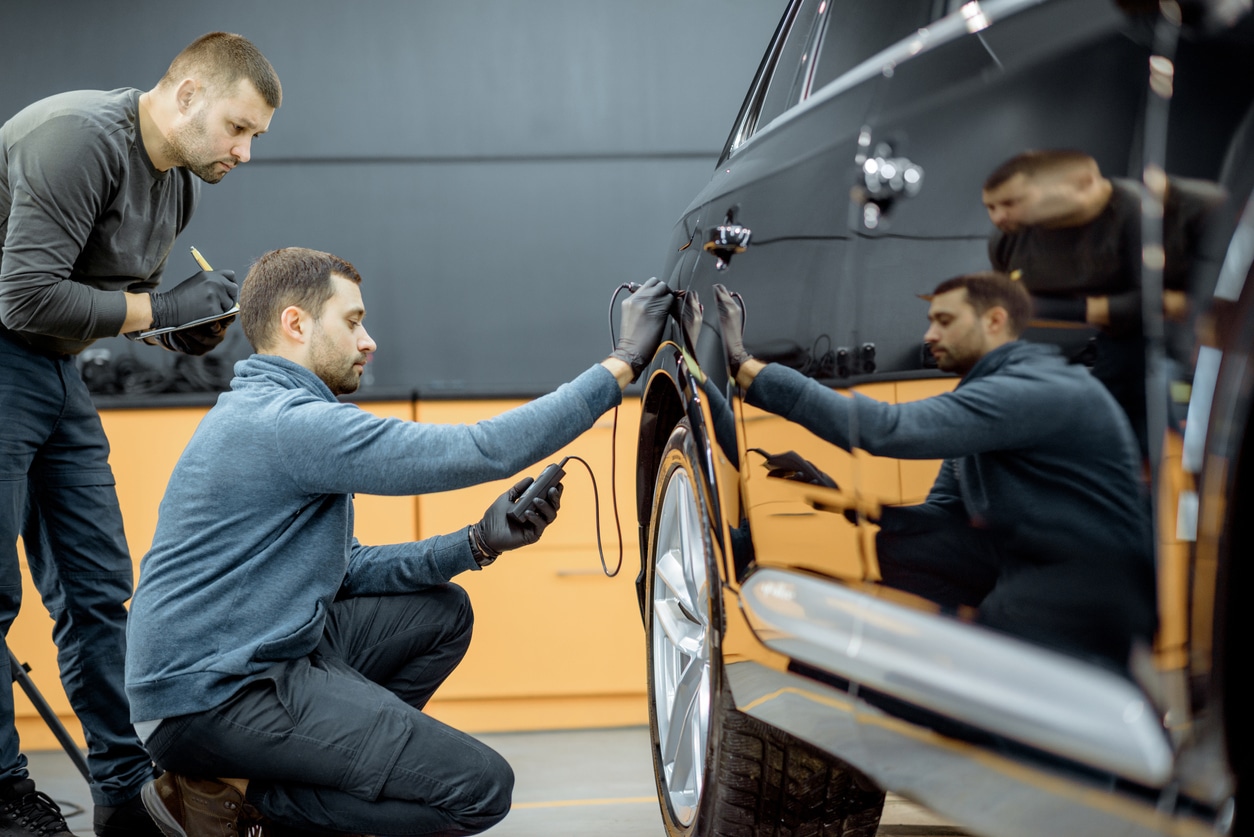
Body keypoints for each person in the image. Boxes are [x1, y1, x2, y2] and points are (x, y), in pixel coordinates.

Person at [123, 248, 673, 837]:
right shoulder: (289, 422)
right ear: (296, 324)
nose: (369, 341)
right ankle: (238, 797)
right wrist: (621, 364)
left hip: (254, 658)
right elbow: (480, 450)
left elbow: (343, 568)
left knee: (441, 613)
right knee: (480, 789)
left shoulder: (264, 412)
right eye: (353, 321)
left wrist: (476, 543)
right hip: (210, 697)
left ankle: (314, 771)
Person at [0, 32, 281, 836]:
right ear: (187, 94)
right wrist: (158, 312)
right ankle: (2, 790)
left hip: (57, 371)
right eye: (238, 127)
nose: (246, 151)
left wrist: (179, 330)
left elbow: (121, 305)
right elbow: (23, 298)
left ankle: (125, 792)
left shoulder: (177, 188)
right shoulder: (79, 139)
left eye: (256, 135)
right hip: (5, 349)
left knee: (99, 590)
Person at [713, 272, 1157, 670]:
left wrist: (748, 367)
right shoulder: (984, 390)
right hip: (1025, 570)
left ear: (995, 321)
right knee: (874, 547)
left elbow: (889, 430)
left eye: (945, 321)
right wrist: (845, 505)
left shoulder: (1031, 388)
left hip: (1084, 589)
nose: (929, 335)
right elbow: (943, 517)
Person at [981, 149, 1224, 453]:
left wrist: (1111, 307)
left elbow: (1176, 303)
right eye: (990, 207)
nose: (998, 217)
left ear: (1083, 183)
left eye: (1010, 203)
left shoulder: (1165, 211)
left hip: (1194, 353)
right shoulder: (1011, 241)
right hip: (1118, 350)